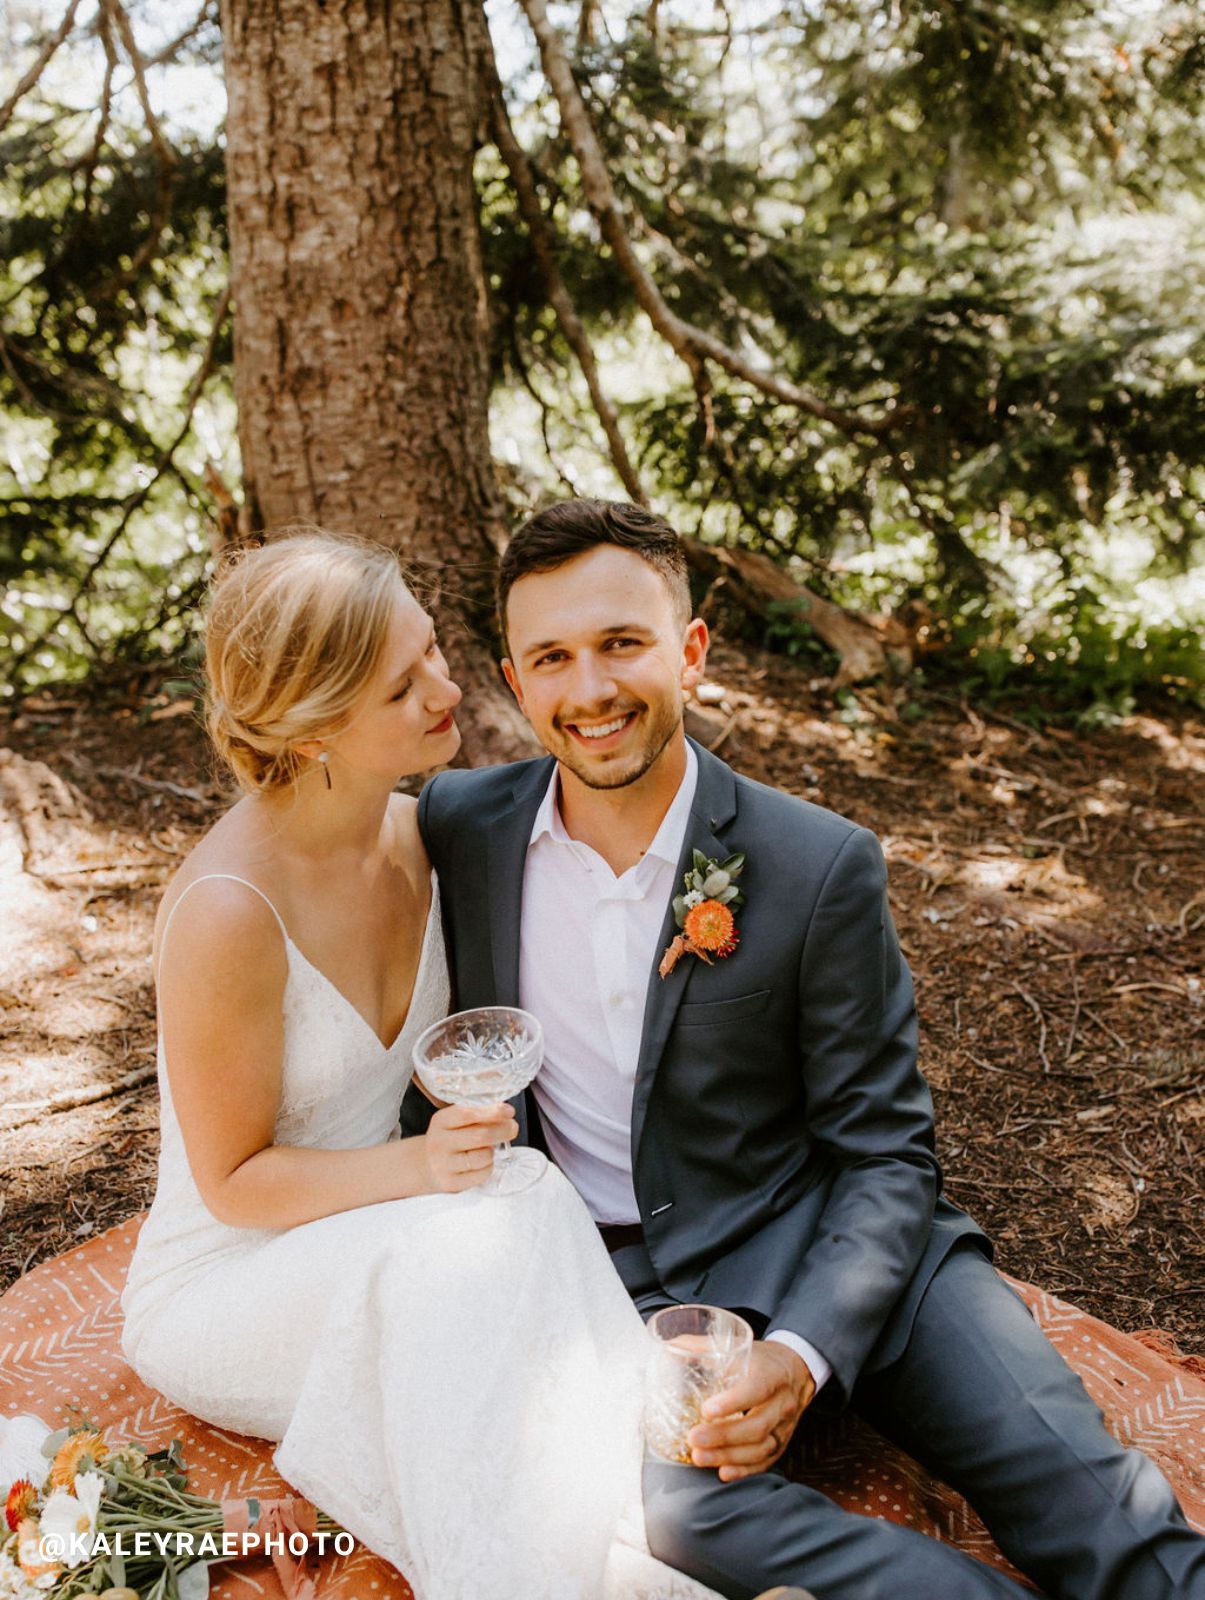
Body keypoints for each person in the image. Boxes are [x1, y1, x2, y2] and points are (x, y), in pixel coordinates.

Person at [405, 498, 1205, 1600]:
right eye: (552, 656)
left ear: (689, 650)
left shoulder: (816, 862)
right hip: (628, 1299)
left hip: (857, 1253)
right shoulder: (459, 829)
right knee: (662, 1509)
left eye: (621, 644)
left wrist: (803, 1350)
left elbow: (885, 1154)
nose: (588, 689)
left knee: (1092, 1502)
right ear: (515, 675)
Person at [119, 530, 730, 1600]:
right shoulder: (227, 912)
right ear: (315, 728)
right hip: (232, 1278)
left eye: (434, 650)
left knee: (508, 1212)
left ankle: (644, 1496)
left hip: (389, 1229)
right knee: (473, 1247)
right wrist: (420, 1171)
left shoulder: (418, 836)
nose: (448, 687)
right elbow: (232, 1182)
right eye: (405, 686)